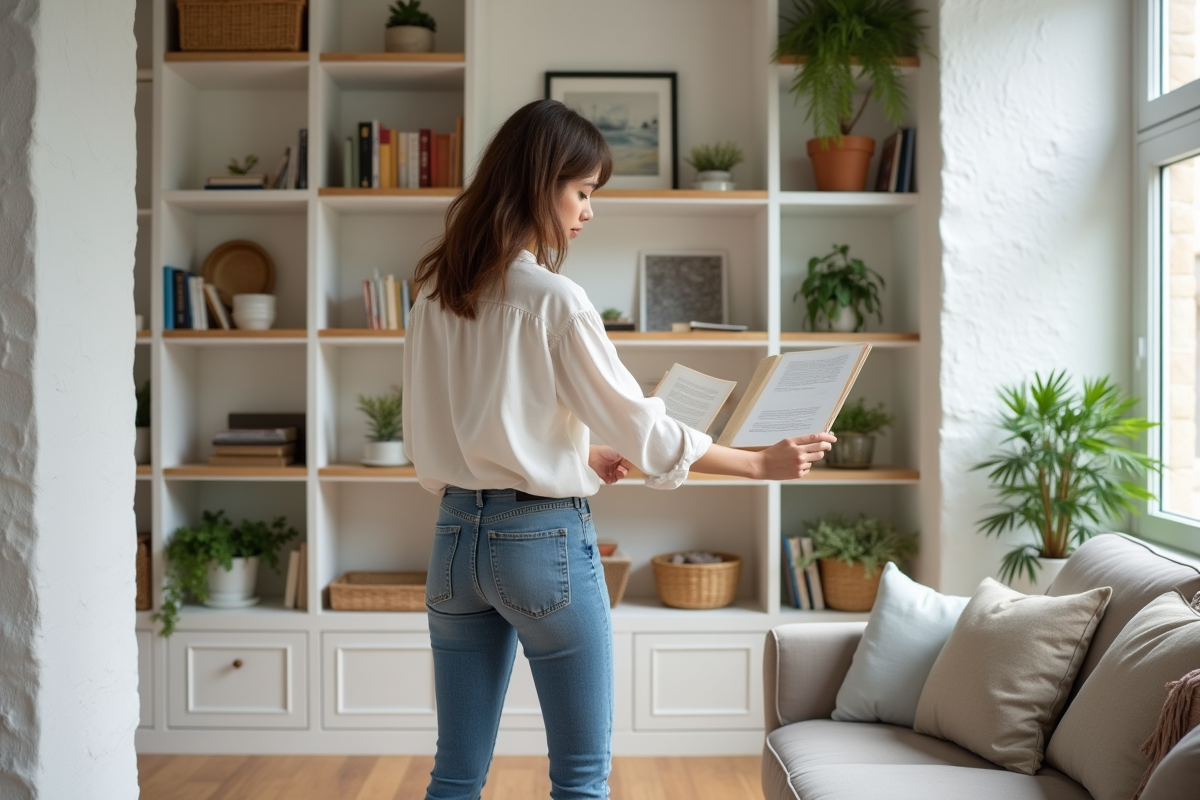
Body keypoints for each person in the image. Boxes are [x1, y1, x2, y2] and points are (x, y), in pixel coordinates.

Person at [402, 98, 835, 800]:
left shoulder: (433, 299)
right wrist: (758, 462)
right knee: (580, 778)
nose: (588, 211)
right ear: (539, 183)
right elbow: (649, 431)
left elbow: (443, 436)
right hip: (540, 543)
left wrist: (579, 453)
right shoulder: (555, 300)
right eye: (583, 191)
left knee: (454, 775)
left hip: (454, 540)